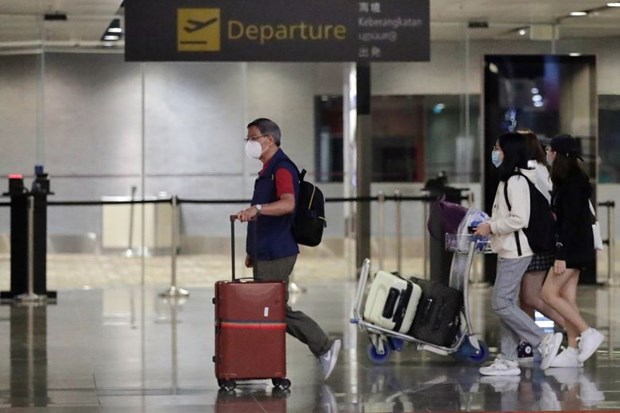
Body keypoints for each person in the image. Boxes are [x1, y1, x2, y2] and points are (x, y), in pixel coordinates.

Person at [234, 118, 341, 380]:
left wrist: (256, 210)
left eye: (252, 138)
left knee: (275, 309)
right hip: (266, 249)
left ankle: (323, 346)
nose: (248, 144)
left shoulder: (281, 169)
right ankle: (264, 363)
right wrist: (252, 250)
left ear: (268, 140)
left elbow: (288, 204)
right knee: (270, 308)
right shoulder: (268, 169)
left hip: (277, 251)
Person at [474, 132, 563, 376]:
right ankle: (508, 358)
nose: (495, 152)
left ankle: (543, 340)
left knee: (500, 302)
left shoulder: (516, 181)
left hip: (516, 251)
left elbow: (519, 219)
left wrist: (490, 226)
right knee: (509, 303)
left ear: (509, 152)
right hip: (507, 249)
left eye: (498, 148)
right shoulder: (507, 180)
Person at [541, 134, 605, 368]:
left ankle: (588, 332)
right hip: (574, 246)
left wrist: (561, 254)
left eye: (550, 150)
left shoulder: (573, 182)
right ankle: (572, 347)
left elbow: (570, 222)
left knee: (548, 294)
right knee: (566, 298)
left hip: (572, 249)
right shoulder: (567, 179)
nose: (547, 153)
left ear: (557, 154)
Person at [515, 129, 566, 365]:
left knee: (531, 295)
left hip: (536, 241)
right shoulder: (533, 168)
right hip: (529, 240)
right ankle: (527, 344)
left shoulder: (534, 170)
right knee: (525, 299)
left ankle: (572, 326)